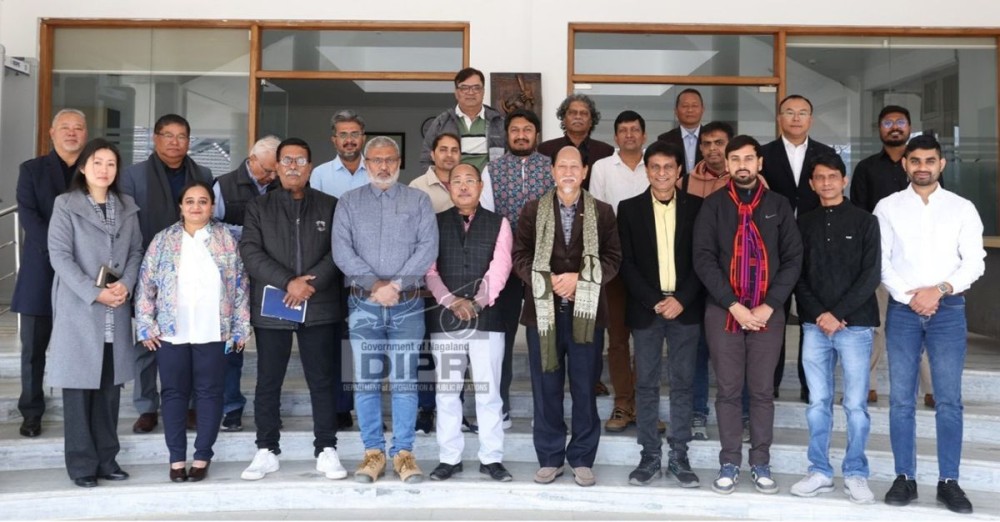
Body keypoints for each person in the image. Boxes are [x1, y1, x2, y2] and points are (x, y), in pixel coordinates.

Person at [876, 135, 985, 514]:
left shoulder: (962, 208)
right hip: (904, 312)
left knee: (949, 401)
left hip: (948, 309)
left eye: (930, 160)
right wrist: (912, 298)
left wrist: (937, 291)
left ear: (941, 164)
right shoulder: (887, 207)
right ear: (905, 164)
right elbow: (882, 261)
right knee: (902, 400)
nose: (922, 167)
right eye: (915, 160)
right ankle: (904, 477)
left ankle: (948, 481)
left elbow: (974, 262)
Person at [693, 135, 802, 495]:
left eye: (748, 158)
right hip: (724, 311)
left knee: (760, 391)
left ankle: (760, 462)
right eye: (735, 158)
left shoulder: (779, 205)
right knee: (726, 390)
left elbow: (792, 259)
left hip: (767, 313)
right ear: (726, 164)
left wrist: (768, 306)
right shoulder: (712, 206)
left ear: (759, 164)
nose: (742, 165)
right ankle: (729, 462)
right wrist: (734, 305)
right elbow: (703, 259)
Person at [512, 146, 621, 488]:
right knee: (547, 387)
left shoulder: (603, 213)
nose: (569, 171)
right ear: (553, 172)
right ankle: (549, 457)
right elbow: (520, 257)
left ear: (585, 171)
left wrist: (580, 279)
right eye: (563, 166)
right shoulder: (532, 211)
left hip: (587, 313)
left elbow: (613, 258)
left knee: (585, 387)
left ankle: (583, 458)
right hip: (542, 314)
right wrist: (549, 282)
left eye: (575, 165)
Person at [239, 138, 347, 482]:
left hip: (320, 305)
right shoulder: (259, 206)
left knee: (322, 379)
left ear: (311, 167)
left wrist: (309, 285)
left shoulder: (330, 205)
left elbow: (339, 251)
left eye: (301, 160)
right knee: (268, 380)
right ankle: (266, 449)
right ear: (277, 166)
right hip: (274, 306)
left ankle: (326, 448)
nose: (293, 166)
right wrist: (289, 282)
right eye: (287, 160)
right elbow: (251, 253)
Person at [333, 135, 438, 484]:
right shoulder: (348, 203)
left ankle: (404, 454)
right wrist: (376, 285)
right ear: (365, 164)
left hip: (407, 305)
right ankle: (373, 453)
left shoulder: (418, 200)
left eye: (390, 160)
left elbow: (427, 247)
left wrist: (395, 285)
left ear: (399, 163)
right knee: (365, 381)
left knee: (406, 381)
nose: (383, 166)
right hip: (364, 304)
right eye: (376, 160)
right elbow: (341, 250)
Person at [135, 180, 251, 483]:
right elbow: (146, 285)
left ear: (212, 206)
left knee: (210, 393)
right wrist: (146, 324)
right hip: (172, 332)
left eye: (203, 201)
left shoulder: (226, 239)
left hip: (214, 330)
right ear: (180, 206)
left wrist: (240, 327)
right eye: (190, 201)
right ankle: (176, 459)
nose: (196, 207)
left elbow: (240, 287)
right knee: (173, 394)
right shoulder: (163, 240)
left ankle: (202, 456)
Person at [47, 138, 143, 488]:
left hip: (115, 309)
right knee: (78, 392)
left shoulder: (128, 206)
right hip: (79, 309)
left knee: (108, 390)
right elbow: (59, 255)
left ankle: (107, 459)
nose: (104, 170)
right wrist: (94, 292)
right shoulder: (66, 204)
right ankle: (82, 466)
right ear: (84, 167)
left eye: (111, 164)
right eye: (97, 162)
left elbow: (136, 251)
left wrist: (126, 286)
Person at [789, 153, 880, 504]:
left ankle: (856, 473)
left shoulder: (865, 221)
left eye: (833, 177)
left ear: (844, 180)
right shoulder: (803, 224)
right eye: (819, 178)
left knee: (856, 405)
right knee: (818, 402)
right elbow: (797, 275)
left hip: (855, 327)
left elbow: (870, 275)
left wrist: (837, 314)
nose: (826, 183)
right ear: (811, 184)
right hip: (814, 327)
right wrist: (819, 315)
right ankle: (820, 471)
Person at [617, 141, 703, 488]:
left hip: (686, 308)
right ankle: (649, 455)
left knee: (682, 384)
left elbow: (706, 259)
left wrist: (681, 298)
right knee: (648, 384)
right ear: (647, 170)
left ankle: (680, 455)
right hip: (646, 310)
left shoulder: (699, 207)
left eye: (669, 167)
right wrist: (655, 300)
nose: (663, 173)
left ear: (679, 170)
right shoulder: (629, 208)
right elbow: (626, 263)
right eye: (656, 167)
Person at [121, 113, 213, 433]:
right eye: (168, 136)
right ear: (155, 138)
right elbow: (126, 227)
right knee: (148, 341)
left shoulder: (202, 172)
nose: (175, 143)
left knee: (189, 338)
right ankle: (147, 406)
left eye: (182, 136)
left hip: (193, 269)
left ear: (189, 140)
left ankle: (188, 405)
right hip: (148, 267)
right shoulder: (133, 176)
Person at [425, 163, 514, 482]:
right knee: (447, 391)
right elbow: (430, 271)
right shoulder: (434, 223)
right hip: (446, 320)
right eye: (457, 181)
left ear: (480, 186)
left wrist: (476, 301)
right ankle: (449, 457)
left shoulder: (499, 223)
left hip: (486, 319)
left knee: (488, 392)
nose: (463, 186)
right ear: (449, 188)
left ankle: (491, 458)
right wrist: (451, 301)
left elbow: (501, 266)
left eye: (470, 181)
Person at [850, 105, 933, 406]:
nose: (894, 127)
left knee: (923, 325)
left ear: (910, 127)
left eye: (900, 122)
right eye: (888, 122)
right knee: (876, 325)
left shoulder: (923, 165)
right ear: (879, 128)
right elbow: (859, 216)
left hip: (920, 264)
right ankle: (868, 383)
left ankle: (931, 389)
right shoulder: (867, 168)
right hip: (880, 261)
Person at [13, 108, 87, 438]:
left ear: (85, 134)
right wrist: (63, 254)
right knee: (33, 351)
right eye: (65, 128)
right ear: (52, 133)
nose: (72, 133)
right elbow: (30, 218)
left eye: (78, 128)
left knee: (82, 346)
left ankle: (83, 413)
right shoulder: (31, 170)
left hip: (85, 274)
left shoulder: (94, 169)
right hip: (40, 273)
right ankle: (31, 412)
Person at [760, 94, 836, 403]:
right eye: (789, 112)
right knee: (773, 315)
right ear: (779, 118)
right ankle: (770, 383)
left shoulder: (825, 153)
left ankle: (811, 385)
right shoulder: (763, 154)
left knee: (812, 316)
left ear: (811, 119)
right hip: (773, 247)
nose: (795, 118)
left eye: (802, 112)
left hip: (815, 245)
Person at [480, 108, 554, 429]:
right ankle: (501, 406)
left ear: (536, 134)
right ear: (506, 135)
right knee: (502, 338)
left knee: (544, 338)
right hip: (505, 267)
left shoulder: (551, 168)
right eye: (515, 130)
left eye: (527, 129)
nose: (521, 135)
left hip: (545, 267)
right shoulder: (491, 171)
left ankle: (547, 410)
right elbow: (487, 218)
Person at [211, 135, 280, 432]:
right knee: (230, 348)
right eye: (267, 170)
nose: (272, 176)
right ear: (252, 160)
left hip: (272, 278)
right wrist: (250, 234)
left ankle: (269, 410)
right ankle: (231, 407)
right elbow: (210, 226)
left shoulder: (284, 185)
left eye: (275, 170)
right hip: (232, 278)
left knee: (273, 348)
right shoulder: (223, 185)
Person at [588, 110, 651, 432]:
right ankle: (622, 404)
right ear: (615, 137)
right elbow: (595, 215)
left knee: (646, 338)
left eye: (634, 130)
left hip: (649, 267)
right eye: (623, 130)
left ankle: (643, 404)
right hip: (612, 264)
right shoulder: (602, 168)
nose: (629, 135)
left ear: (643, 135)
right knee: (617, 339)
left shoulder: (653, 165)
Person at [421, 68, 505, 172]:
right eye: (464, 88)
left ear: (483, 91)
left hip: (490, 186)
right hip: (451, 186)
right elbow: (426, 159)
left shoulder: (499, 122)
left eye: (476, 88)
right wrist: (441, 185)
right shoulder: (441, 123)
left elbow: (510, 158)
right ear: (456, 92)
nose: (471, 92)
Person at [537, 94, 614, 190]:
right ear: (564, 119)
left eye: (584, 113)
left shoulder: (605, 151)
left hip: (595, 204)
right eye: (572, 113)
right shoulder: (546, 149)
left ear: (591, 121)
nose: (578, 117)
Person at [311, 110, 370, 198]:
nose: (349, 140)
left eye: (354, 134)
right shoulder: (320, 174)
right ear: (334, 140)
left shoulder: (376, 171)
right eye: (343, 135)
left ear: (363, 138)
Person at [656, 88, 705, 175]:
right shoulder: (665, 140)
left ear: (702, 110)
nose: (690, 110)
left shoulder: (711, 138)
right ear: (676, 111)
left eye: (694, 106)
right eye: (685, 106)